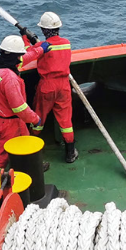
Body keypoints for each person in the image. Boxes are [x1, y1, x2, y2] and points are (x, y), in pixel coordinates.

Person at [0, 35, 48, 205]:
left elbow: (22, 59)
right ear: (13, 56)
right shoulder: (10, 78)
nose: (20, 58)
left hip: (3, 117)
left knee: (26, 142)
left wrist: (40, 50)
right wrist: (36, 119)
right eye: (19, 55)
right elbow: (19, 107)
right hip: (8, 121)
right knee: (1, 158)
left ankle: (32, 169)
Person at [20, 12, 78, 163]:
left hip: (47, 85)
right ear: (58, 27)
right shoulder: (67, 43)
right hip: (64, 86)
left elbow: (27, 56)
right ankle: (70, 153)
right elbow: (51, 50)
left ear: (44, 30)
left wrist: (26, 39)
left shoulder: (41, 46)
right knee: (66, 121)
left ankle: (33, 150)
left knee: (38, 118)